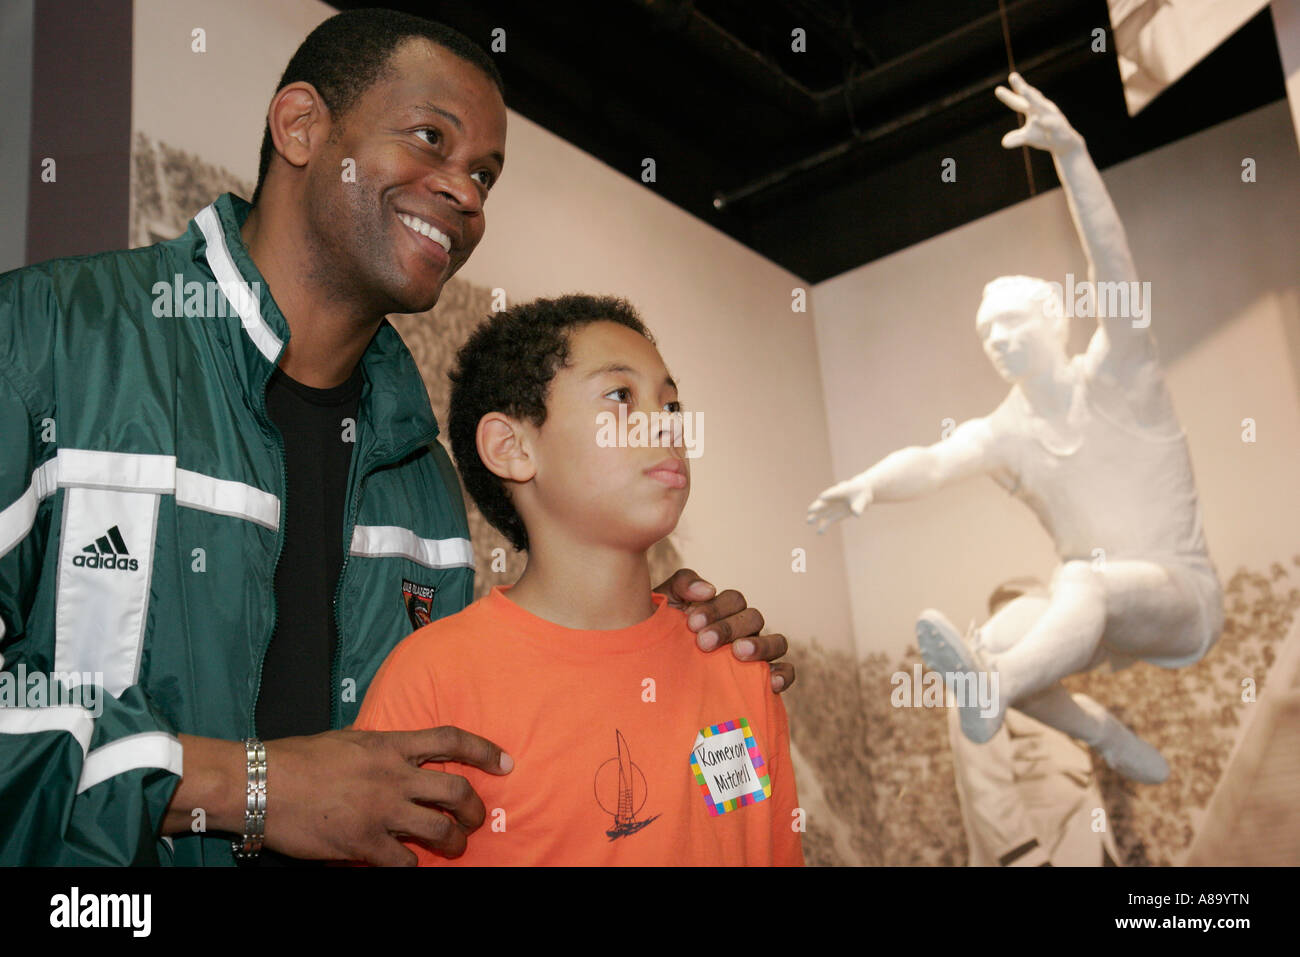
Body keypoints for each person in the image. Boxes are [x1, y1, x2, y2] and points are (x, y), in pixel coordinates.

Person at [0, 10, 791, 866]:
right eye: (429, 139)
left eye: (485, 174)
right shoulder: (42, 340)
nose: (466, 192)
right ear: (302, 126)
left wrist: (658, 636)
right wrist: (248, 787)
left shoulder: (424, 487)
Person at [806, 73, 1222, 784]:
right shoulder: (1006, 431)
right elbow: (934, 461)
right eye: (985, 332)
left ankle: (993, 688)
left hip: (1178, 599)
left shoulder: (1121, 376)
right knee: (996, 634)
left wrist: (1073, 156)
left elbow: (1112, 264)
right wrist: (870, 484)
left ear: (1054, 320)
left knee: (1076, 585)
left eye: (1010, 324)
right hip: (1097, 611)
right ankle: (1104, 733)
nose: (996, 339)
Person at [354, 295, 804, 865]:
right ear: (512, 447)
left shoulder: (735, 666)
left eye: (672, 405)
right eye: (621, 396)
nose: (667, 426)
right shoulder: (432, 681)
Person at [947, 578, 1122, 867]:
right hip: (1041, 856)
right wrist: (1030, 860)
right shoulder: (978, 693)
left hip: (1089, 851)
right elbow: (987, 792)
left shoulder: (1064, 700)